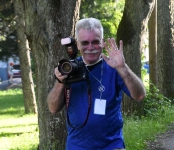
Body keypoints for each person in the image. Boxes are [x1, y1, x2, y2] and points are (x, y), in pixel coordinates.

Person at [47, 18, 146, 150]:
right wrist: (60, 82)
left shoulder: (114, 67)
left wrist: (123, 69)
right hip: (77, 146)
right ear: (77, 44)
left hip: (111, 145)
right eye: (85, 43)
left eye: (95, 42)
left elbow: (139, 95)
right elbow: (53, 108)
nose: (90, 47)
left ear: (102, 42)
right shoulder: (69, 69)